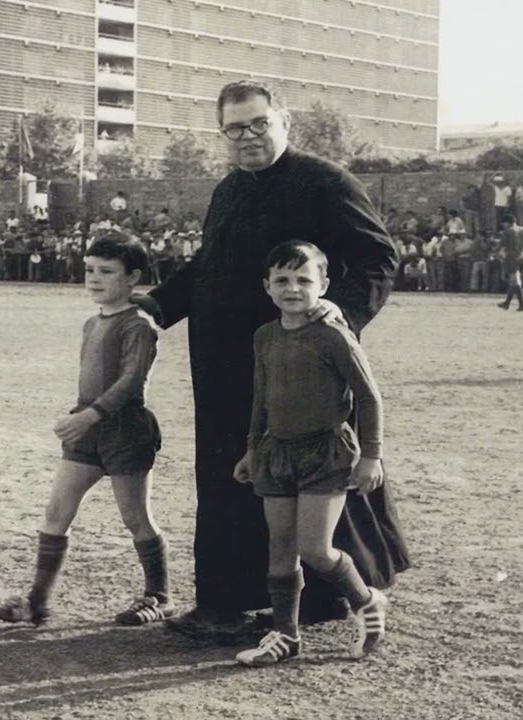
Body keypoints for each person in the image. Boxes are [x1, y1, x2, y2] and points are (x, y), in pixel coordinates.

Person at [135, 79, 410, 643]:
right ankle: (226, 602)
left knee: (311, 464)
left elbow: (379, 257)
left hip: (301, 362)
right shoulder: (228, 192)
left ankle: (328, 593)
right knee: (229, 476)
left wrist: (338, 320)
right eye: (235, 129)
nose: (248, 137)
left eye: (259, 124)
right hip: (222, 362)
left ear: (284, 122)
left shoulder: (325, 182)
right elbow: (206, 269)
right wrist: (153, 308)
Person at [0, 233, 174, 627]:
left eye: (106, 272)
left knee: (135, 517)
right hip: (87, 429)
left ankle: (160, 595)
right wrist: (83, 418)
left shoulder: (139, 325)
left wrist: (88, 416)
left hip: (125, 429)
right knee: (57, 511)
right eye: (89, 270)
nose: (94, 278)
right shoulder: (93, 322)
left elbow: (130, 383)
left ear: (133, 277)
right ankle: (37, 602)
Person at [229, 241, 390, 667]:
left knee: (316, 548)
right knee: (280, 547)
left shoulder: (334, 335)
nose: (293, 288)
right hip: (276, 453)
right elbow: (260, 400)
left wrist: (371, 456)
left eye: (304, 279)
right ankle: (285, 634)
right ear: (267, 286)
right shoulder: (265, 336)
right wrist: (251, 450)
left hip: (326, 453)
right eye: (282, 280)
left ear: (324, 285)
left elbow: (369, 398)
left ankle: (366, 601)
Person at [495, 214, 523, 311]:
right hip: (522, 259)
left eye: (503, 223)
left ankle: (522, 305)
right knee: (513, 282)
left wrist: (497, 256)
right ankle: (507, 303)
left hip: (512, 259)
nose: (503, 225)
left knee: (516, 282)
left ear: (507, 223)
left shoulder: (507, 232)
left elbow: (499, 247)